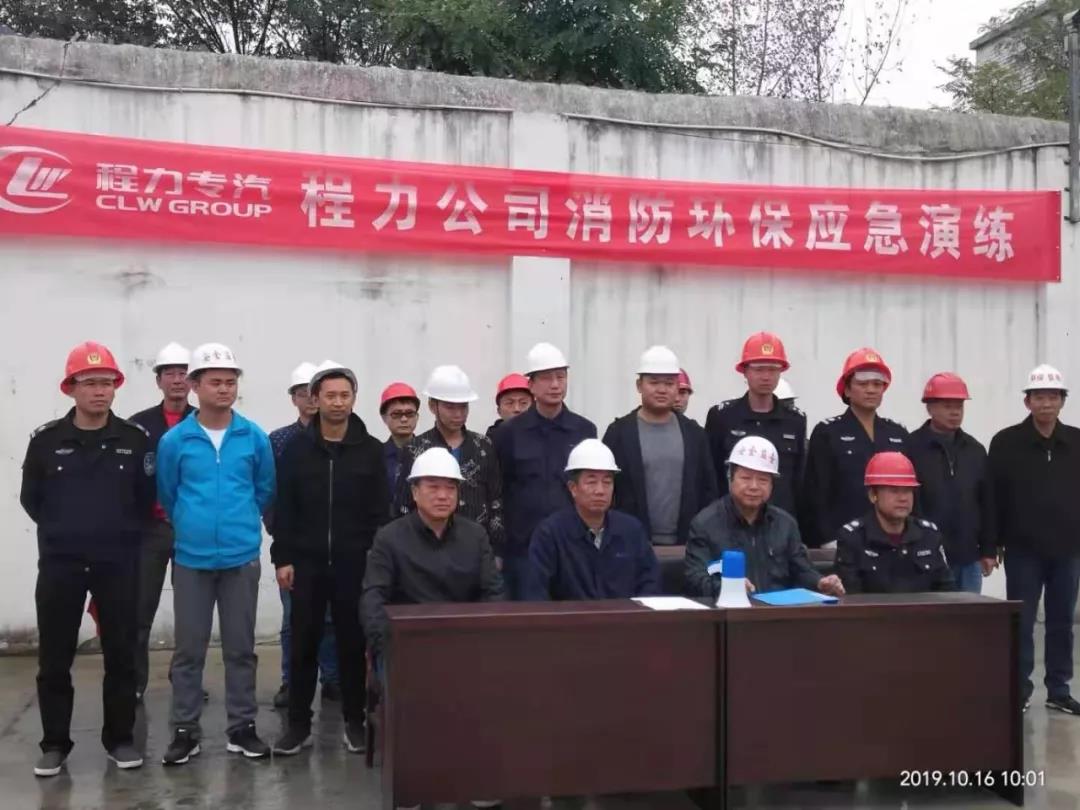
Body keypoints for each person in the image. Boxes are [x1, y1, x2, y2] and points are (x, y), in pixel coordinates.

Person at [20, 342, 154, 776]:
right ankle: (55, 744)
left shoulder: (134, 440)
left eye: (107, 383)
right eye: (90, 383)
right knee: (55, 657)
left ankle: (120, 739)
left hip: (118, 563)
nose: (100, 391)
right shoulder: (46, 441)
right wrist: (65, 532)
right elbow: (31, 499)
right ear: (71, 388)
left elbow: (145, 500)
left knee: (121, 655)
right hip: (61, 564)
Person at [156, 343, 275, 765]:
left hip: (241, 559)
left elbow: (264, 490)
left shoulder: (253, 437)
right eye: (215, 382)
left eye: (230, 382)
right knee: (189, 651)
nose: (224, 389)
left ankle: (242, 727)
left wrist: (240, 524)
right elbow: (168, 493)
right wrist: (193, 524)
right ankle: (185, 730)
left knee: (241, 648)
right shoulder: (176, 441)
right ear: (195, 386)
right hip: (192, 560)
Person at [272, 361, 389, 755]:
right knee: (303, 643)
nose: (338, 402)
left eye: (345, 395)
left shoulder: (370, 450)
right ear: (315, 399)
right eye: (330, 395)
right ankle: (298, 726)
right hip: (305, 564)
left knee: (352, 644)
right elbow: (284, 508)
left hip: (354, 563)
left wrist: (374, 558)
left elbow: (380, 511)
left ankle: (355, 722)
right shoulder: (296, 450)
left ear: (354, 399)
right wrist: (283, 558)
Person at [989, 364, 1080, 715]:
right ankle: (1020, 689)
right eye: (1039, 397)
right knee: (1022, 622)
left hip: (1067, 551)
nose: (1046, 403)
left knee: (1061, 622)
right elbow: (993, 497)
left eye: (1053, 397)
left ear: (1062, 401)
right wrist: (992, 543)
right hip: (1022, 551)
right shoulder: (1006, 442)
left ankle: (1059, 690)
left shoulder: (1076, 442)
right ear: (1027, 402)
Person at [362, 447, 504, 665]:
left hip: (466, 645)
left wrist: (481, 640)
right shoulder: (389, 538)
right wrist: (388, 647)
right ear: (415, 492)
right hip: (406, 648)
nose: (443, 496)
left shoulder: (475, 536)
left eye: (450, 488)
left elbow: (493, 593)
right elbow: (374, 598)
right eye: (433, 487)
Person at [493, 342, 597, 599]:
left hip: (574, 546)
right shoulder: (508, 433)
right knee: (529, 616)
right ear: (531, 385)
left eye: (561, 377)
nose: (555, 385)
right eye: (547, 378)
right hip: (524, 549)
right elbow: (499, 491)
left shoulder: (584, 430)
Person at [685, 437, 843, 600]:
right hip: (730, 610)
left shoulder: (785, 524)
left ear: (772, 485)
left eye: (763, 480)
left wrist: (820, 582)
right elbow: (695, 578)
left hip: (776, 612)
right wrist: (728, 587)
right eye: (746, 478)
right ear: (730, 478)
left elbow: (802, 570)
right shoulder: (705, 523)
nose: (754, 486)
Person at [267, 361, 339, 710]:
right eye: (302, 393)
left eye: (314, 393)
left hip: (334, 546)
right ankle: (291, 681)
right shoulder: (280, 440)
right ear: (294, 398)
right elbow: (272, 494)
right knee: (293, 620)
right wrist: (280, 537)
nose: (309, 400)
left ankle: (332, 678)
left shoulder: (343, 437)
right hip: (295, 546)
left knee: (331, 618)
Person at [128, 341, 194, 702]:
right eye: (170, 373)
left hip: (190, 531)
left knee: (191, 613)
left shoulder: (205, 422)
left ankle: (185, 681)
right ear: (159, 381)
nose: (178, 380)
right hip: (149, 531)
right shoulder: (139, 426)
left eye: (184, 373)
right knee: (140, 610)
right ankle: (134, 682)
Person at [601, 346, 717, 546]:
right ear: (639, 385)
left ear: (677, 387)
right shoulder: (619, 433)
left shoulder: (694, 435)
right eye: (653, 382)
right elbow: (606, 490)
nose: (662, 389)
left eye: (669, 383)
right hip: (630, 545)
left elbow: (708, 491)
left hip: (686, 546)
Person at [801, 348, 908, 548]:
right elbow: (816, 494)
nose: (871, 390)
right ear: (847, 390)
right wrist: (825, 539)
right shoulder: (828, 432)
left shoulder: (898, 434)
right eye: (863, 384)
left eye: (877, 384)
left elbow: (909, 492)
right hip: (842, 541)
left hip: (891, 541)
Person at [526, 439, 659, 600]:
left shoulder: (631, 530)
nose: (600, 491)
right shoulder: (550, 534)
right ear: (573, 488)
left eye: (607, 482)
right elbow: (536, 594)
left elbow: (650, 584)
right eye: (591, 482)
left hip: (625, 615)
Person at [395, 365, 504, 553]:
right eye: (450, 407)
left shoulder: (484, 446)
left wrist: (496, 551)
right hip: (426, 550)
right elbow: (403, 506)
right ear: (432, 406)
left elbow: (496, 500)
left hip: (476, 548)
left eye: (463, 407)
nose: (458, 414)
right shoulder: (415, 449)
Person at [907, 373, 997, 594]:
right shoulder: (911, 447)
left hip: (969, 557)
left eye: (959, 406)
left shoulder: (975, 450)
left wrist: (988, 550)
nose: (955, 412)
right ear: (930, 408)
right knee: (930, 614)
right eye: (947, 406)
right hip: (924, 556)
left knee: (969, 613)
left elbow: (987, 502)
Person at [705, 332, 806, 518]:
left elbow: (799, 481)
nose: (766, 377)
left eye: (773, 370)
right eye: (759, 369)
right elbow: (710, 476)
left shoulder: (795, 421)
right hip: (730, 521)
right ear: (745, 371)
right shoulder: (722, 417)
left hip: (780, 523)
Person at [834, 452, 955, 594]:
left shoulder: (929, 535)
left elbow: (947, 591)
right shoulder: (853, 538)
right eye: (894, 491)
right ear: (873, 495)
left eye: (908, 491)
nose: (903, 498)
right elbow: (851, 597)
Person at [379, 382, 420, 493]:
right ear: (384, 418)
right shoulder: (375, 456)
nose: (404, 419)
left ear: (417, 417)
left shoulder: (428, 455)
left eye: (410, 413)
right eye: (396, 414)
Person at [487, 373, 533, 437]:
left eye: (523, 403)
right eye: (509, 403)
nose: (517, 409)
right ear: (499, 411)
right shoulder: (488, 441)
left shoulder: (545, 437)